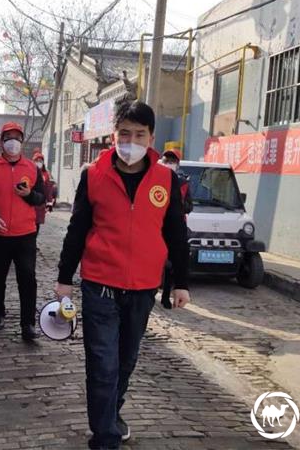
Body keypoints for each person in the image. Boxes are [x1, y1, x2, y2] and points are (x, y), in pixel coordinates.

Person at [54, 100, 191, 449]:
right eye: (124, 133)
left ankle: (111, 413)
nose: (131, 140)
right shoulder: (94, 175)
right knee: (103, 363)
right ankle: (105, 437)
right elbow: (77, 228)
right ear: (113, 136)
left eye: (139, 134)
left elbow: (176, 232)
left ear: (151, 137)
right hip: (100, 285)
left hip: (143, 287)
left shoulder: (166, 179)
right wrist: (64, 278)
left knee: (125, 361)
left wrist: (181, 283)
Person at [0, 122, 46, 341]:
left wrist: (28, 194)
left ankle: (28, 324)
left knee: (27, 278)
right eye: (8, 137)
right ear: (2, 141)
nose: (13, 142)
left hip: (25, 233)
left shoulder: (32, 168)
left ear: (22, 141)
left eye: (17, 137)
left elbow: (41, 198)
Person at [159, 148, 193, 308]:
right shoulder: (156, 178)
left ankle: (166, 294)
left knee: (171, 263)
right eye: (166, 160)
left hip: (176, 226)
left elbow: (189, 205)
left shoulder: (183, 183)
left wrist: (178, 207)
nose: (169, 164)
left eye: (172, 161)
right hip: (157, 225)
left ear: (178, 164)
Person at [32, 152, 56, 235]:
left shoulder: (46, 174)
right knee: (30, 223)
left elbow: (48, 189)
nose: (39, 162)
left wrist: (49, 203)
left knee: (37, 223)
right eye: (37, 160)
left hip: (40, 203)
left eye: (40, 160)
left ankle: (34, 242)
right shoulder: (30, 171)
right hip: (31, 201)